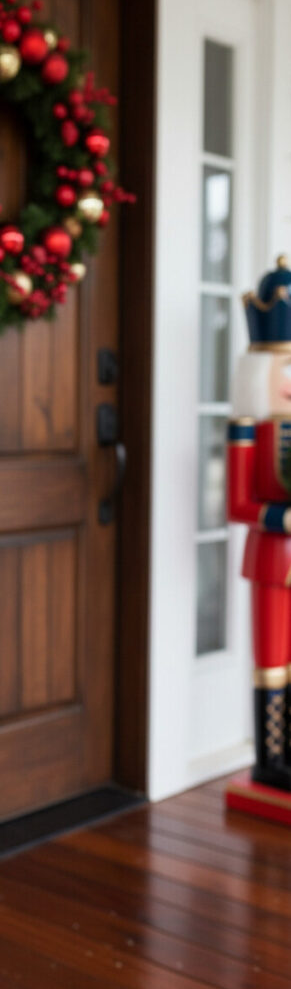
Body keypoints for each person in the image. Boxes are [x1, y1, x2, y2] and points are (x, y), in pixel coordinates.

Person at [228, 255, 291, 792]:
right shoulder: (247, 432)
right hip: (271, 561)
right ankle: (270, 760)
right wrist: (280, 515)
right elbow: (237, 504)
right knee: (271, 656)